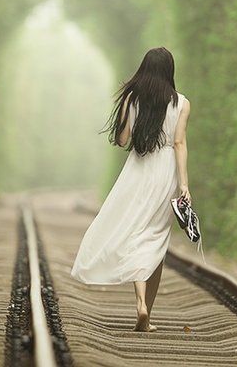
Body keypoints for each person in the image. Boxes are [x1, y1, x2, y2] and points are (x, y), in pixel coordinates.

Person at [70, 47, 191, 332]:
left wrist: (129, 112)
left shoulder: (131, 97)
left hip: (138, 171)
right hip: (166, 174)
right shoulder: (182, 103)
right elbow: (179, 144)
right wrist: (183, 184)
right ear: (169, 71)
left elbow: (123, 140)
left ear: (145, 69)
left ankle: (140, 305)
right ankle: (147, 309)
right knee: (156, 240)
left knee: (135, 233)